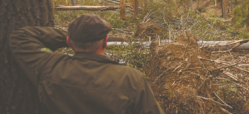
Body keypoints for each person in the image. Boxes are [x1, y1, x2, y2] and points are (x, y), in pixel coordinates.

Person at [9, 13, 164, 114]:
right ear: (105, 42)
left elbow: (20, 37)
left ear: (69, 42)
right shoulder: (131, 79)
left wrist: (70, 37)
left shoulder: (50, 68)